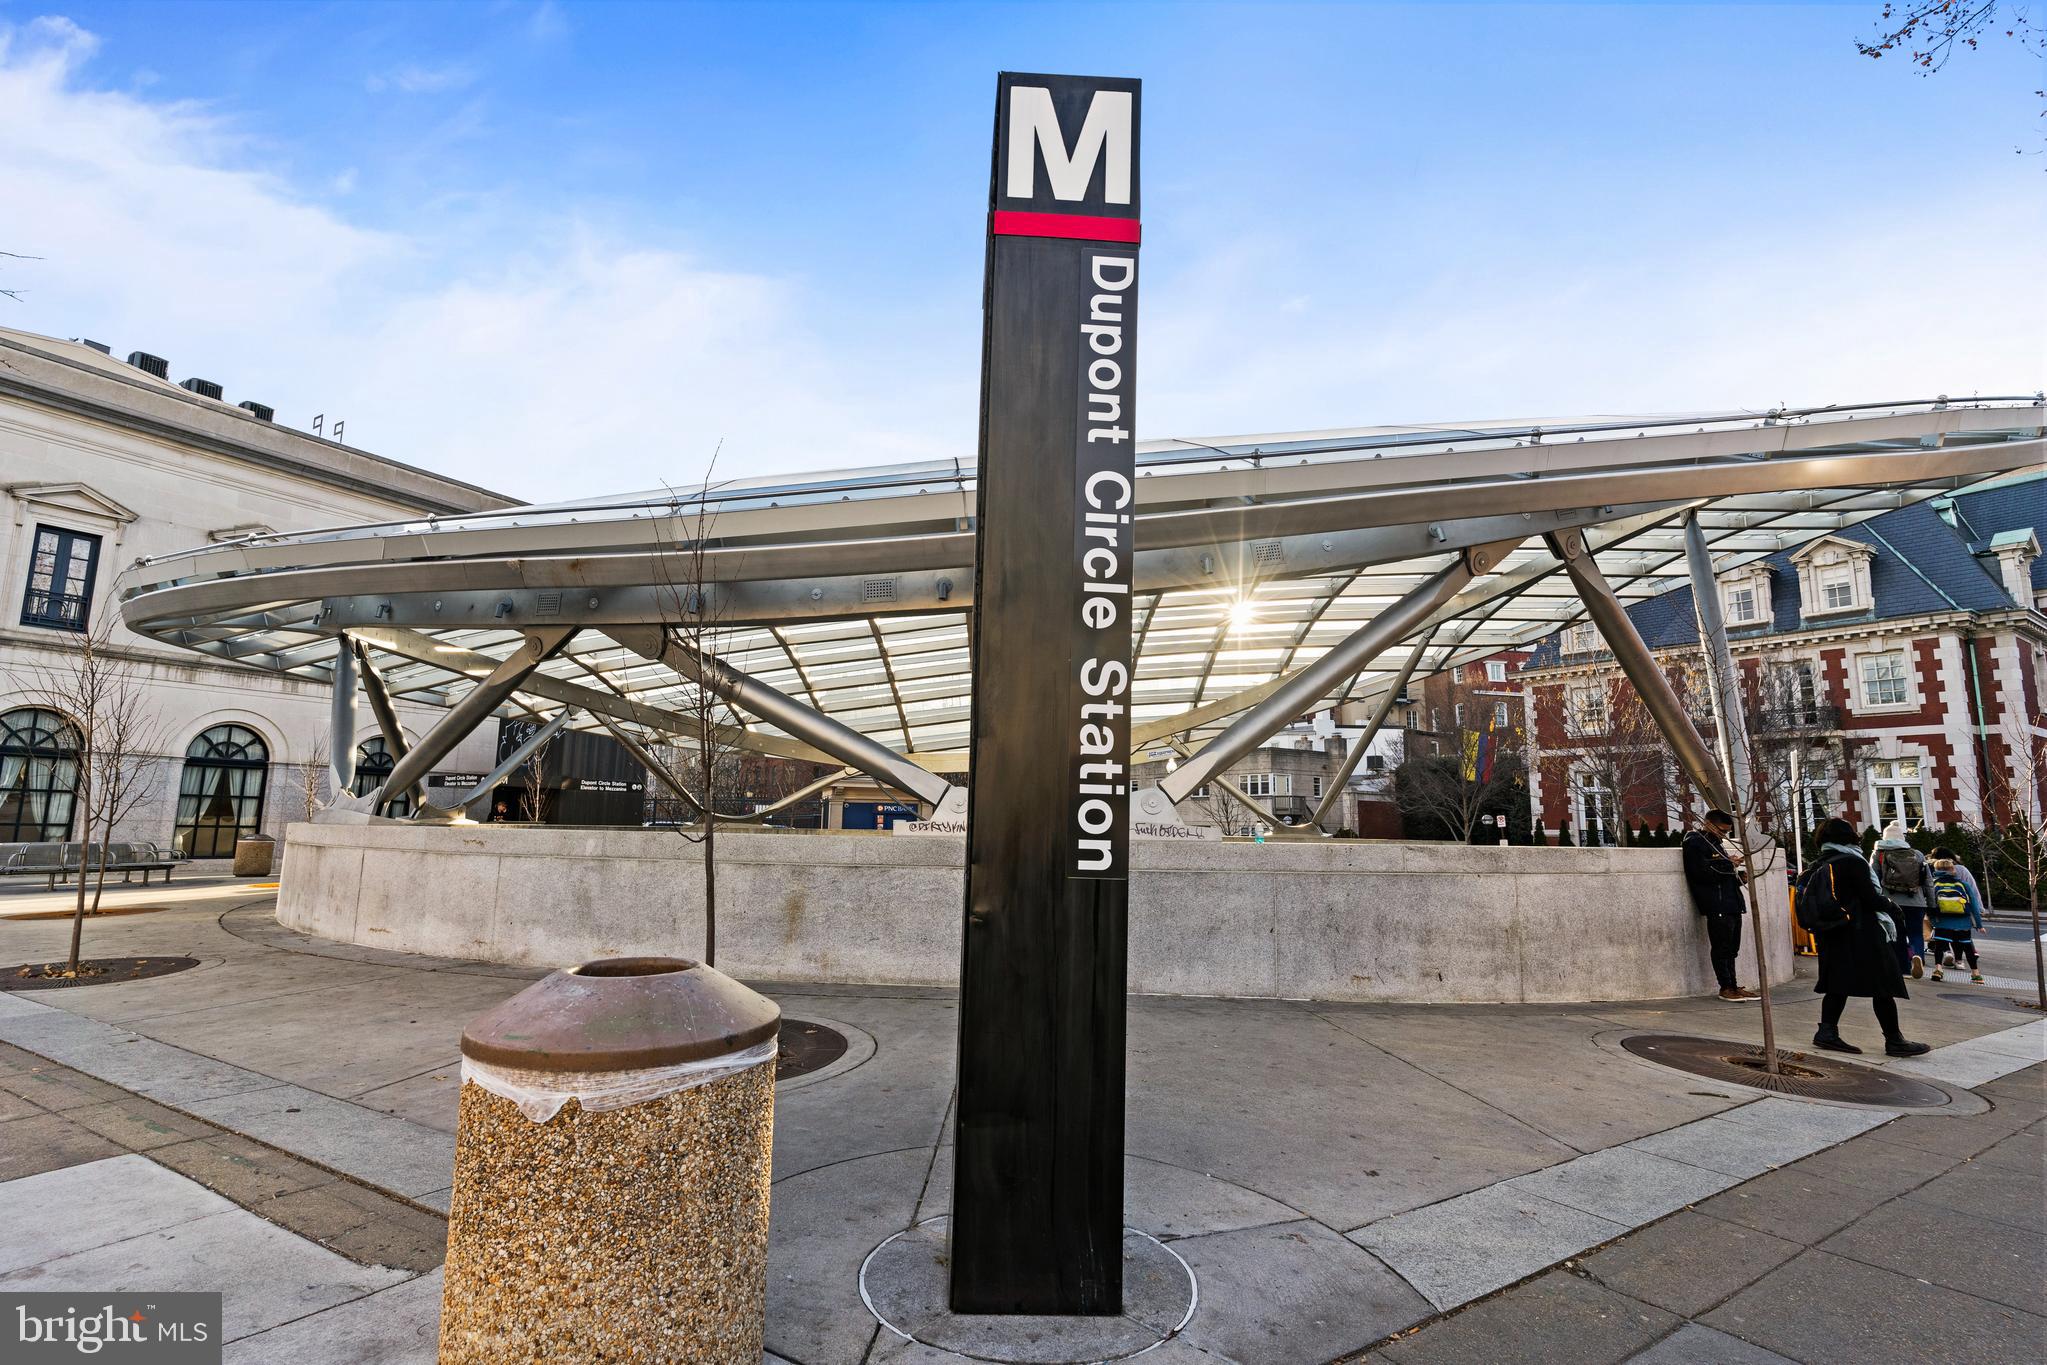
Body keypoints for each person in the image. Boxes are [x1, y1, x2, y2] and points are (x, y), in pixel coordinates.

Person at [1803, 817, 1930, 1056]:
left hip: (1833, 931)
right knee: (1883, 984)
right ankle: (1894, 1039)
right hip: (1861, 931)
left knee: (1837, 984)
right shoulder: (1853, 862)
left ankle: (1827, 1032)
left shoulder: (1821, 862)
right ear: (1849, 836)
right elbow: (1869, 898)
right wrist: (1891, 906)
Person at [1683, 808, 1759, 1002]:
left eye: (1726, 832)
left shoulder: (1716, 844)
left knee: (1732, 948)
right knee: (1722, 947)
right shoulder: (1695, 842)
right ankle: (1725, 987)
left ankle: (1733, 985)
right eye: (1721, 830)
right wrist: (1728, 864)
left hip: (1731, 901)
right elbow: (1700, 873)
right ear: (1708, 823)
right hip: (1717, 904)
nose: (1723, 835)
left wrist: (1737, 875)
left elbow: (1718, 873)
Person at [1871, 824, 1935, 978]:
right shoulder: (1917, 854)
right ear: (1902, 837)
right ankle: (1917, 955)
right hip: (1916, 901)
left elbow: (1872, 879)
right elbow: (1928, 881)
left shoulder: (1879, 853)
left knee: (1897, 934)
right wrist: (1932, 903)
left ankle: (1904, 969)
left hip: (1890, 902)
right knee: (1916, 933)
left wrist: (1873, 901)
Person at [1927, 847, 1986, 984]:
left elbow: (1930, 905)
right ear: (1953, 870)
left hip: (1942, 922)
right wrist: (1978, 925)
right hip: (1963, 922)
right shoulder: (1963, 884)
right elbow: (1974, 905)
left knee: (1940, 946)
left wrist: (1934, 921)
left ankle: (1938, 970)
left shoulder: (1935, 885)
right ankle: (1975, 974)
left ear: (1936, 870)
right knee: (1968, 948)